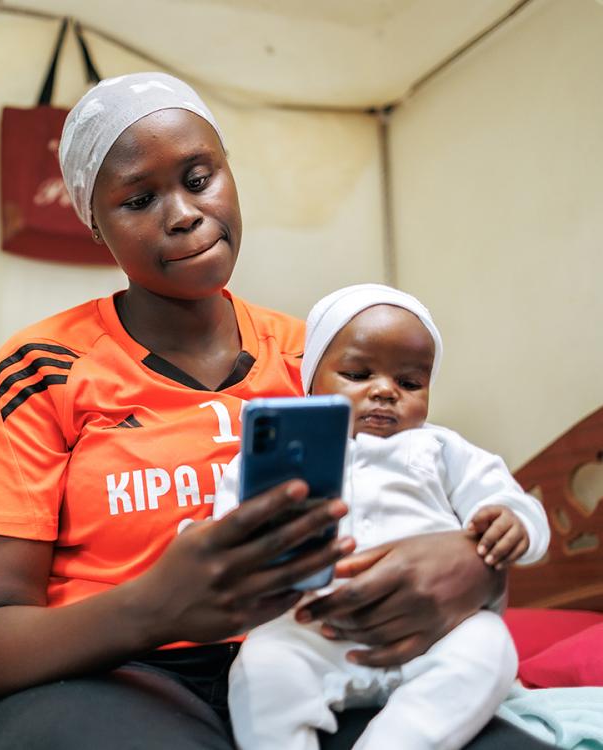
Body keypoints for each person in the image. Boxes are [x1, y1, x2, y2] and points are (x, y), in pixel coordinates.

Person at [0, 72, 553, 749]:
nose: (182, 213)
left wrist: (474, 568)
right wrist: (152, 605)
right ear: (95, 222)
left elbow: (429, 488)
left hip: (323, 652)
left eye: (200, 178)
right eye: (140, 198)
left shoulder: (327, 363)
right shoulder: (41, 369)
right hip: (118, 674)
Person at [212, 284, 549, 750]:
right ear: (312, 380)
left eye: (410, 383)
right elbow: (224, 535)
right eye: (357, 373)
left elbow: (509, 499)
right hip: (315, 631)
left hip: (434, 633)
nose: (385, 391)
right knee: (262, 665)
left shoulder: (440, 447)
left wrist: (514, 520)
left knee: (490, 645)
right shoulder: (274, 459)